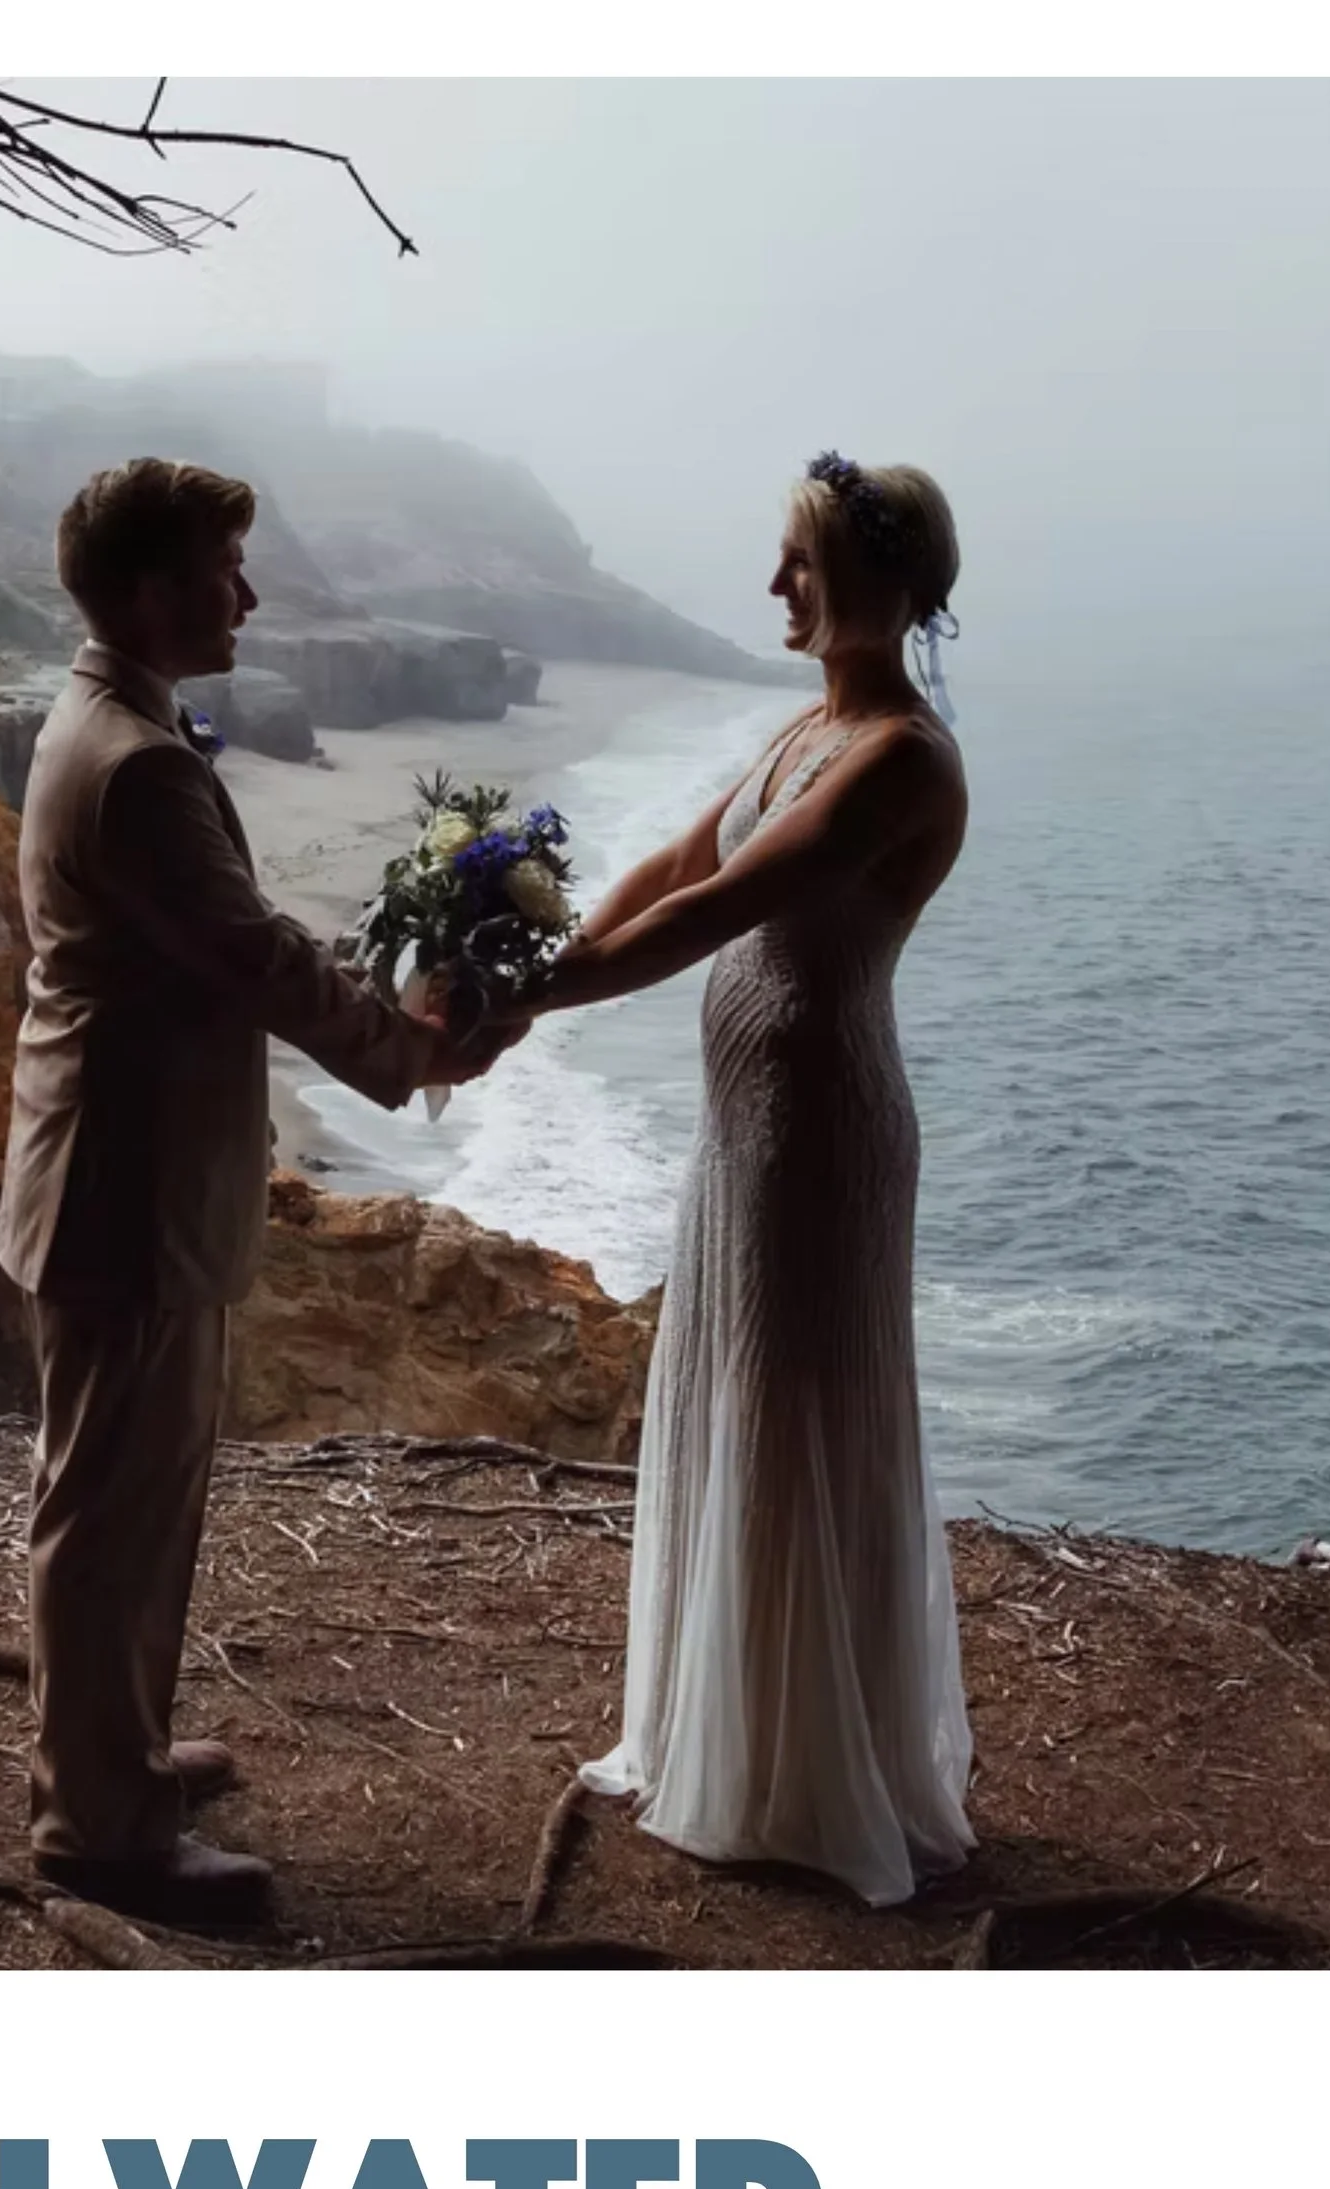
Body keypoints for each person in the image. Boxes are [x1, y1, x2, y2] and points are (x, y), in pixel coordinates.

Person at [0, 456, 518, 1925]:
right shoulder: (143, 763)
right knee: (113, 1513)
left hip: (106, 1168)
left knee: (121, 1495)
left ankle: (116, 1755)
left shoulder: (112, 720)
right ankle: (100, 1827)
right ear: (151, 588)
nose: (251, 592)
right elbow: (256, 958)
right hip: (126, 1183)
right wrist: (412, 1049)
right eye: (225, 567)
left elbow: (228, 941)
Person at [521, 456, 976, 1904]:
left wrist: (533, 999)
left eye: (801, 559)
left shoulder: (900, 757)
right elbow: (677, 860)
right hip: (742, 1130)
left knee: (794, 1418)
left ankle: (804, 1775)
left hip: (821, 1129)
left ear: (882, 583)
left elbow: (731, 904)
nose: (776, 583)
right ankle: (724, 1733)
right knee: (733, 1399)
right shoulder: (807, 728)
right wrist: (540, 957)